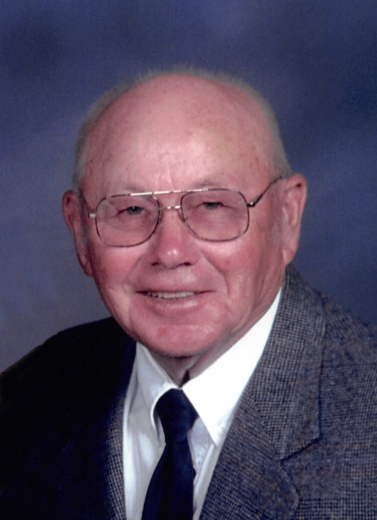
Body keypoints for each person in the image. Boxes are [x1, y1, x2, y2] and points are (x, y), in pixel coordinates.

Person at [0, 69, 376, 520]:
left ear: (287, 218)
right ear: (80, 231)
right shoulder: (23, 402)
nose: (171, 251)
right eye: (131, 209)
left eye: (213, 205)